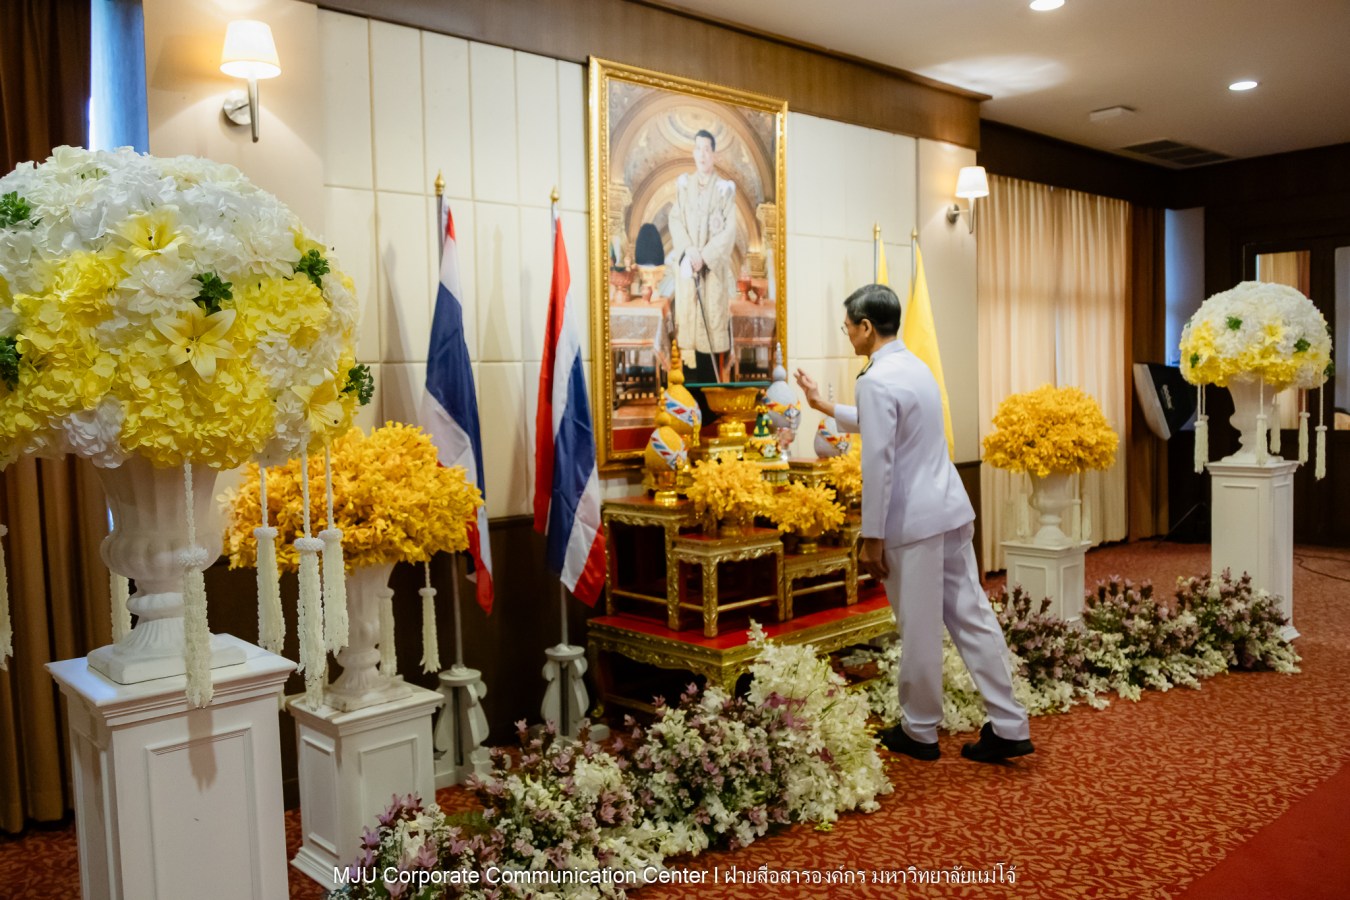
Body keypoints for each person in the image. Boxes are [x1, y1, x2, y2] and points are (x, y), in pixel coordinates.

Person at [795, 283, 1033, 763]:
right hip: (949, 509)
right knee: (973, 617)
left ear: (866, 327)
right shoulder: (915, 365)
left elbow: (879, 462)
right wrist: (823, 406)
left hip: (913, 522)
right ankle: (1011, 724)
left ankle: (920, 730)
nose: (847, 333)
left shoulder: (875, 379)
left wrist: (872, 538)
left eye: (848, 326)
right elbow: (888, 422)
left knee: (919, 628)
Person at [668, 128, 736, 384]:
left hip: (711, 276)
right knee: (689, 349)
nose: (703, 154)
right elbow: (675, 220)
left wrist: (704, 257)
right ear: (694, 153)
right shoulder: (684, 187)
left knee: (709, 346)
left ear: (713, 155)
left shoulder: (724, 190)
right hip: (690, 274)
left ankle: (710, 403)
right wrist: (689, 250)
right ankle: (690, 400)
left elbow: (729, 231)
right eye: (698, 149)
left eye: (707, 149)